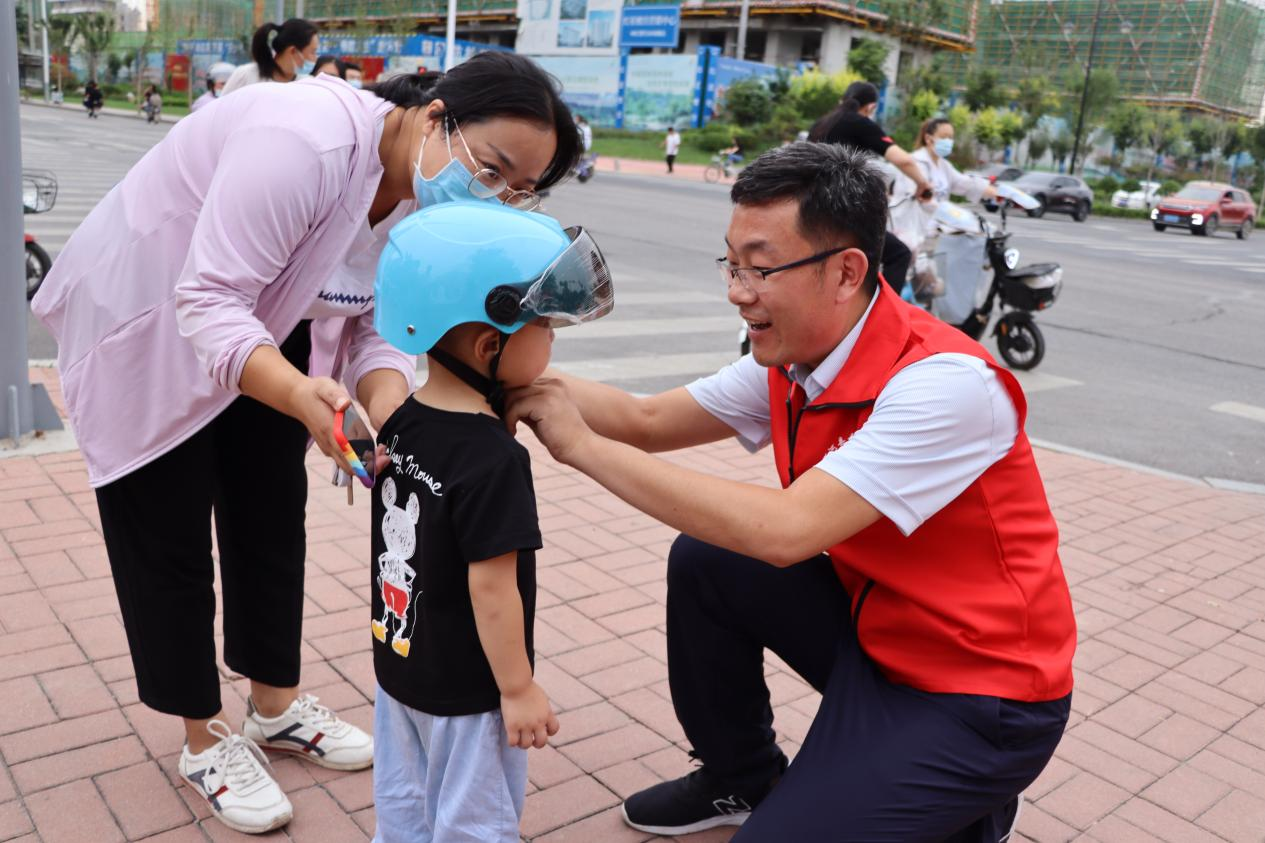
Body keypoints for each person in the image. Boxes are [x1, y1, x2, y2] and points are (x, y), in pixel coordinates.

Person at [31, 53, 582, 835]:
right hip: (153, 320)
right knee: (167, 534)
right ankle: (204, 736)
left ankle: (274, 704)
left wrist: (398, 423)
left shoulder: (425, 204)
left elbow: (380, 325)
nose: (493, 195)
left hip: (268, 322)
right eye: (491, 168)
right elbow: (208, 297)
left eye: (518, 188)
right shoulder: (305, 143)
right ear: (436, 117)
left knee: (270, 514)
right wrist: (299, 395)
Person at [505, 143, 1075, 842]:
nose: (737, 290)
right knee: (709, 559)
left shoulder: (944, 384)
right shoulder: (795, 356)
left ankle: (967, 797)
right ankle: (741, 776)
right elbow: (646, 419)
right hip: (878, 635)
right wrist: (501, 367)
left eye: (760, 268)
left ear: (846, 272)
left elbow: (785, 531)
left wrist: (581, 447)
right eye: (731, 263)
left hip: (977, 694)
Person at [368, 200, 613, 842]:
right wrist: (519, 688)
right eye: (545, 325)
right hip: (469, 695)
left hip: (400, 668)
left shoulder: (402, 421)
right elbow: (493, 588)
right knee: (472, 826)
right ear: (488, 344)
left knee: (404, 813)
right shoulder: (495, 460)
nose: (553, 338)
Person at [809, 81, 933, 293]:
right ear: (871, 107)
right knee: (899, 254)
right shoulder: (859, 122)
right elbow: (904, 160)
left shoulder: (821, 124)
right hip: (840, 212)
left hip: (811, 207)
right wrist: (923, 184)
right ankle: (882, 311)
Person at [890, 117, 1000, 300]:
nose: (949, 141)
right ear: (929, 138)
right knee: (922, 290)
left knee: (931, 291)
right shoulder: (916, 163)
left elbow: (965, 184)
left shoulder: (943, 165)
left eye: (951, 137)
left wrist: (997, 193)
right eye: (944, 136)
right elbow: (924, 201)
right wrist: (956, 217)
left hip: (933, 238)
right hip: (911, 237)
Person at [221, 18, 320, 96]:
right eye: (313, 52)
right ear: (293, 51)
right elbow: (220, 110)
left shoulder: (309, 85)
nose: (316, 58)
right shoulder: (246, 75)